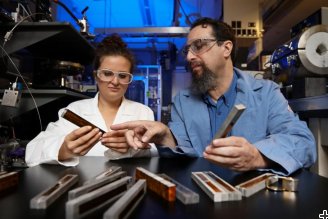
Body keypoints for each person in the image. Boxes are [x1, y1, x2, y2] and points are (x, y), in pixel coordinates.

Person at [111, 17, 316, 176]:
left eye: (199, 46)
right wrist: (165, 136)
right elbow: (184, 152)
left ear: (226, 48)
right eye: (188, 50)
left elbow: (303, 142)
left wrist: (258, 156)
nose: (190, 56)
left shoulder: (266, 93)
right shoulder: (183, 101)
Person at [25, 34, 158, 167]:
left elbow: (153, 153)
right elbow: (33, 150)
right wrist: (63, 149)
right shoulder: (75, 110)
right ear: (96, 76)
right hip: (83, 183)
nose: (115, 81)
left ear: (129, 80)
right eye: (107, 73)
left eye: (122, 76)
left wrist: (132, 149)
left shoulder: (142, 112)